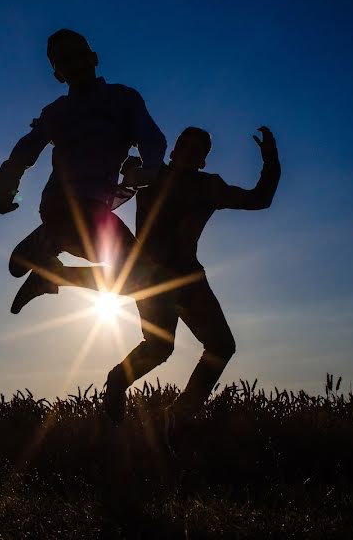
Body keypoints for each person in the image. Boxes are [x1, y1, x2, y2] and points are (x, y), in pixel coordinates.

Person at [69, 126, 281, 434]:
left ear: (203, 161)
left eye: (198, 150)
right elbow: (107, 161)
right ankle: (118, 381)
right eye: (185, 145)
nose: (190, 152)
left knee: (221, 346)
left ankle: (179, 414)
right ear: (173, 150)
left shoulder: (209, 186)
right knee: (159, 347)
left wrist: (270, 160)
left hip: (188, 279)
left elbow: (260, 199)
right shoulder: (151, 174)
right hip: (152, 279)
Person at [0, 28, 167, 318]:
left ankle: (50, 253)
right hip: (63, 203)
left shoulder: (122, 99)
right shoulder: (58, 111)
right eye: (64, 61)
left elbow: (151, 138)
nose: (74, 64)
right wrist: (3, 188)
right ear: (59, 74)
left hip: (94, 209)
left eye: (78, 55)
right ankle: (49, 241)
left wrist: (149, 168)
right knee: (149, 278)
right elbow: (26, 149)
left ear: (93, 57)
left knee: (146, 281)